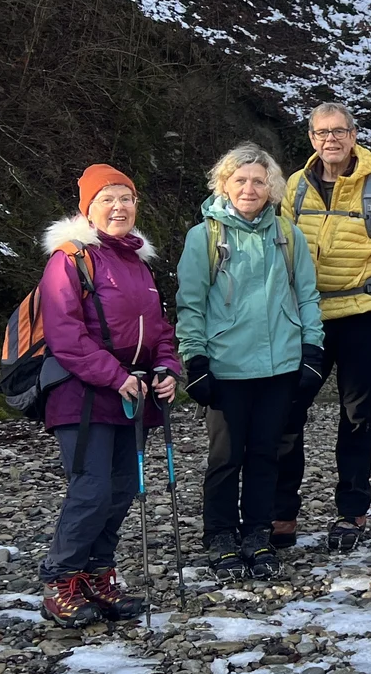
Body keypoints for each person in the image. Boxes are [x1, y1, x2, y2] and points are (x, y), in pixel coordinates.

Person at [37, 164, 180, 626]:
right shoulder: (69, 258)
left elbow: (160, 331)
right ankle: (61, 580)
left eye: (127, 198)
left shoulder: (138, 264)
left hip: (131, 393)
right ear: (88, 208)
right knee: (93, 488)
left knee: (121, 489)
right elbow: (65, 333)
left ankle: (98, 575)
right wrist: (115, 375)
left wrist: (168, 369)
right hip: (81, 395)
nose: (119, 207)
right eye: (108, 199)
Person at [176, 144, 325, 581]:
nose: (249, 188)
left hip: (280, 366)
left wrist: (312, 350)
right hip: (226, 367)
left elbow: (307, 296)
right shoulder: (203, 236)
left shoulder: (288, 234)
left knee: (266, 455)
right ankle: (220, 534)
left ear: (271, 187)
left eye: (258, 180)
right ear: (224, 184)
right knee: (225, 457)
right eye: (240, 180)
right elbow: (190, 303)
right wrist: (195, 358)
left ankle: (257, 532)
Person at [275, 102, 371, 553]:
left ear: (354, 136)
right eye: (321, 133)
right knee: (288, 412)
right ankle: (281, 513)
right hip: (305, 316)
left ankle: (351, 511)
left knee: (356, 417)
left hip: (360, 313)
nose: (330, 140)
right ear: (311, 139)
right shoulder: (295, 187)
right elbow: (277, 254)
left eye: (339, 132)